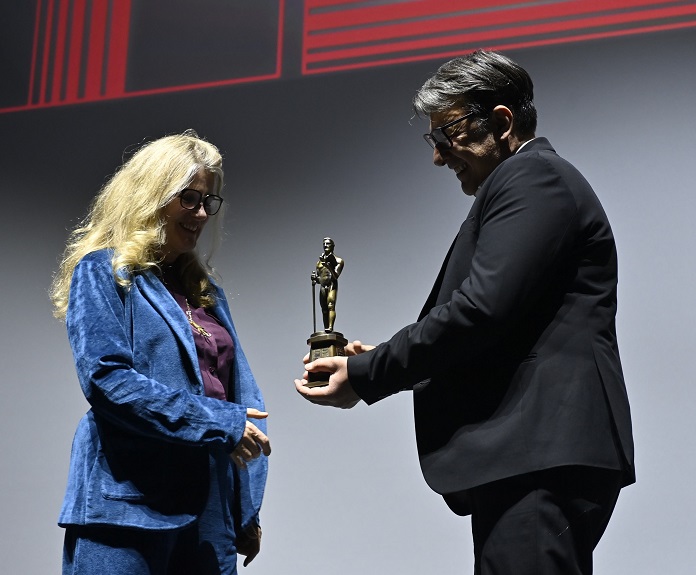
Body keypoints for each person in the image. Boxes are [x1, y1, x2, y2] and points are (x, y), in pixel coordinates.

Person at [295, 50, 634, 574]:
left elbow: (479, 311)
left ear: (501, 121)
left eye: (446, 133)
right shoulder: (533, 181)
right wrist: (380, 358)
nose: (438, 155)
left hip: (538, 451)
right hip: (533, 455)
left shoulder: (533, 178)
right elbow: (499, 324)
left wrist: (368, 373)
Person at [50, 130, 271, 575]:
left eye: (209, 201)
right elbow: (107, 381)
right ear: (151, 197)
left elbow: (233, 393)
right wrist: (219, 423)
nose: (201, 213)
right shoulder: (104, 271)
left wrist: (242, 507)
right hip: (128, 505)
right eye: (188, 198)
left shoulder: (206, 292)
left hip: (210, 514)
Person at [311, 237, 344, 332]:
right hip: (322, 287)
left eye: (328, 244)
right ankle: (326, 329)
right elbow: (320, 278)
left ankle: (330, 327)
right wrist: (315, 278)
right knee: (324, 309)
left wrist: (329, 266)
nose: (325, 246)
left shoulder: (338, 261)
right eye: (324, 244)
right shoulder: (319, 262)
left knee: (330, 305)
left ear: (333, 246)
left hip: (332, 285)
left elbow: (335, 276)